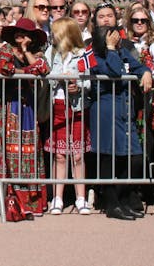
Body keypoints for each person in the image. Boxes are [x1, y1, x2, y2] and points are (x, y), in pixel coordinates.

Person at [89, 25, 153, 220]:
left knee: (134, 157)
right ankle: (112, 204)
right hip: (106, 111)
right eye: (113, 38)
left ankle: (123, 200)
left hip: (124, 111)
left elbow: (136, 66)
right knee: (108, 159)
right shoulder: (94, 56)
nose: (118, 41)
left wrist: (146, 72)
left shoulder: (121, 52)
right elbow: (115, 71)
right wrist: (110, 49)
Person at [0, 17, 49, 216]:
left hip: (27, 108)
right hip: (7, 107)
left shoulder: (35, 53)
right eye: (18, 33)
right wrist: (28, 71)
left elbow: (43, 69)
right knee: (7, 152)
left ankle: (30, 201)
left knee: (29, 151)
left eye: (25, 34)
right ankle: (8, 198)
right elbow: (3, 68)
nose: (21, 37)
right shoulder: (5, 50)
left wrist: (26, 52)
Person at [43, 16, 92, 215]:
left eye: (55, 32)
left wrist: (77, 85)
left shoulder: (84, 54)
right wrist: (58, 78)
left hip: (77, 107)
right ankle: (57, 197)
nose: (52, 35)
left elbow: (89, 81)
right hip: (57, 105)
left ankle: (81, 197)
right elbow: (45, 76)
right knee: (60, 154)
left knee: (77, 154)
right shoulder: (50, 52)